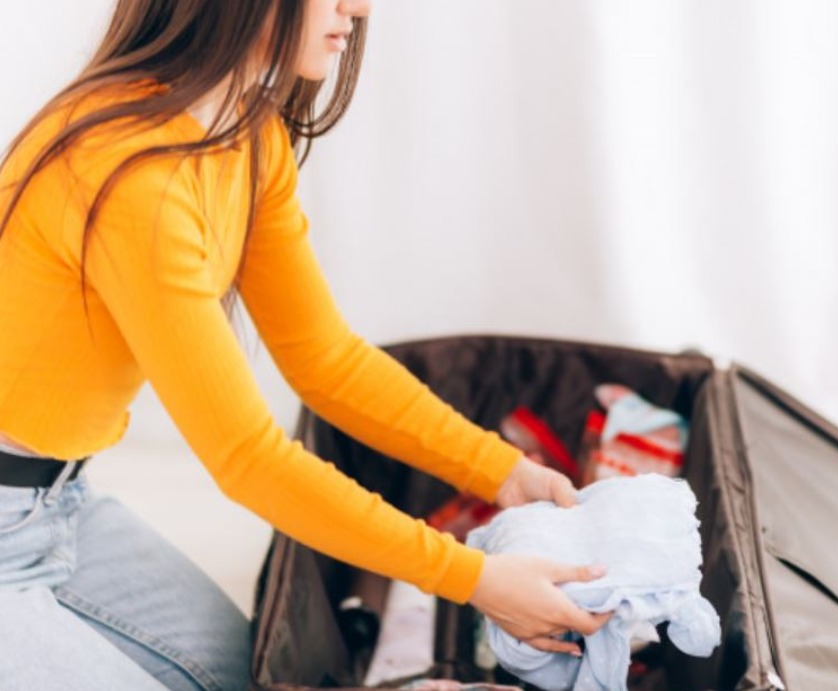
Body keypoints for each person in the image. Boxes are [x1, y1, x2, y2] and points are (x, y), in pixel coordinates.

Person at [0, 1, 610, 689]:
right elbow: (248, 458)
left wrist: (502, 471)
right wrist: (476, 579)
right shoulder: (127, 173)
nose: (358, 7)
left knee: (248, 674)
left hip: (59, 504)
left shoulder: (248, 140)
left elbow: (326, 360)